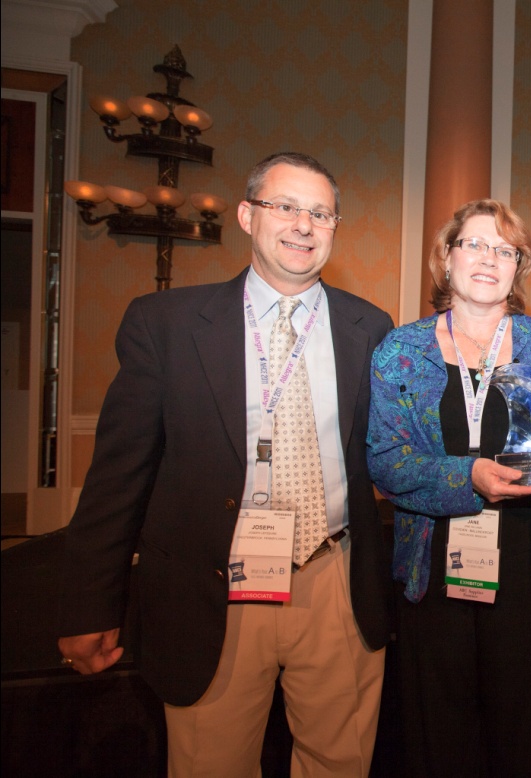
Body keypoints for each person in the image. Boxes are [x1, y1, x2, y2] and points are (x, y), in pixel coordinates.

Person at [56, 152, 394, 775]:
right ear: (246, 215)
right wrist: (89, 606)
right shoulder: (166, 325)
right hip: (215, 584)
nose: (303, 224)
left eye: (321, 212)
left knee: (339, 764)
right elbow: (118, 477)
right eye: (285, 206)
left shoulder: (370, 328)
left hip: (335, 580)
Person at [367, 199, 531, 777]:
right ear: (446, 258)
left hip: (528, 562)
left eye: (505, 249)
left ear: (519, 267)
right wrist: (466, 476)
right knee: (438, 726)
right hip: (432, 563)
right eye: (474, 244)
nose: (489, 259)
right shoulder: (403, 350)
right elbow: (387, 463)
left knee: (523, 725)